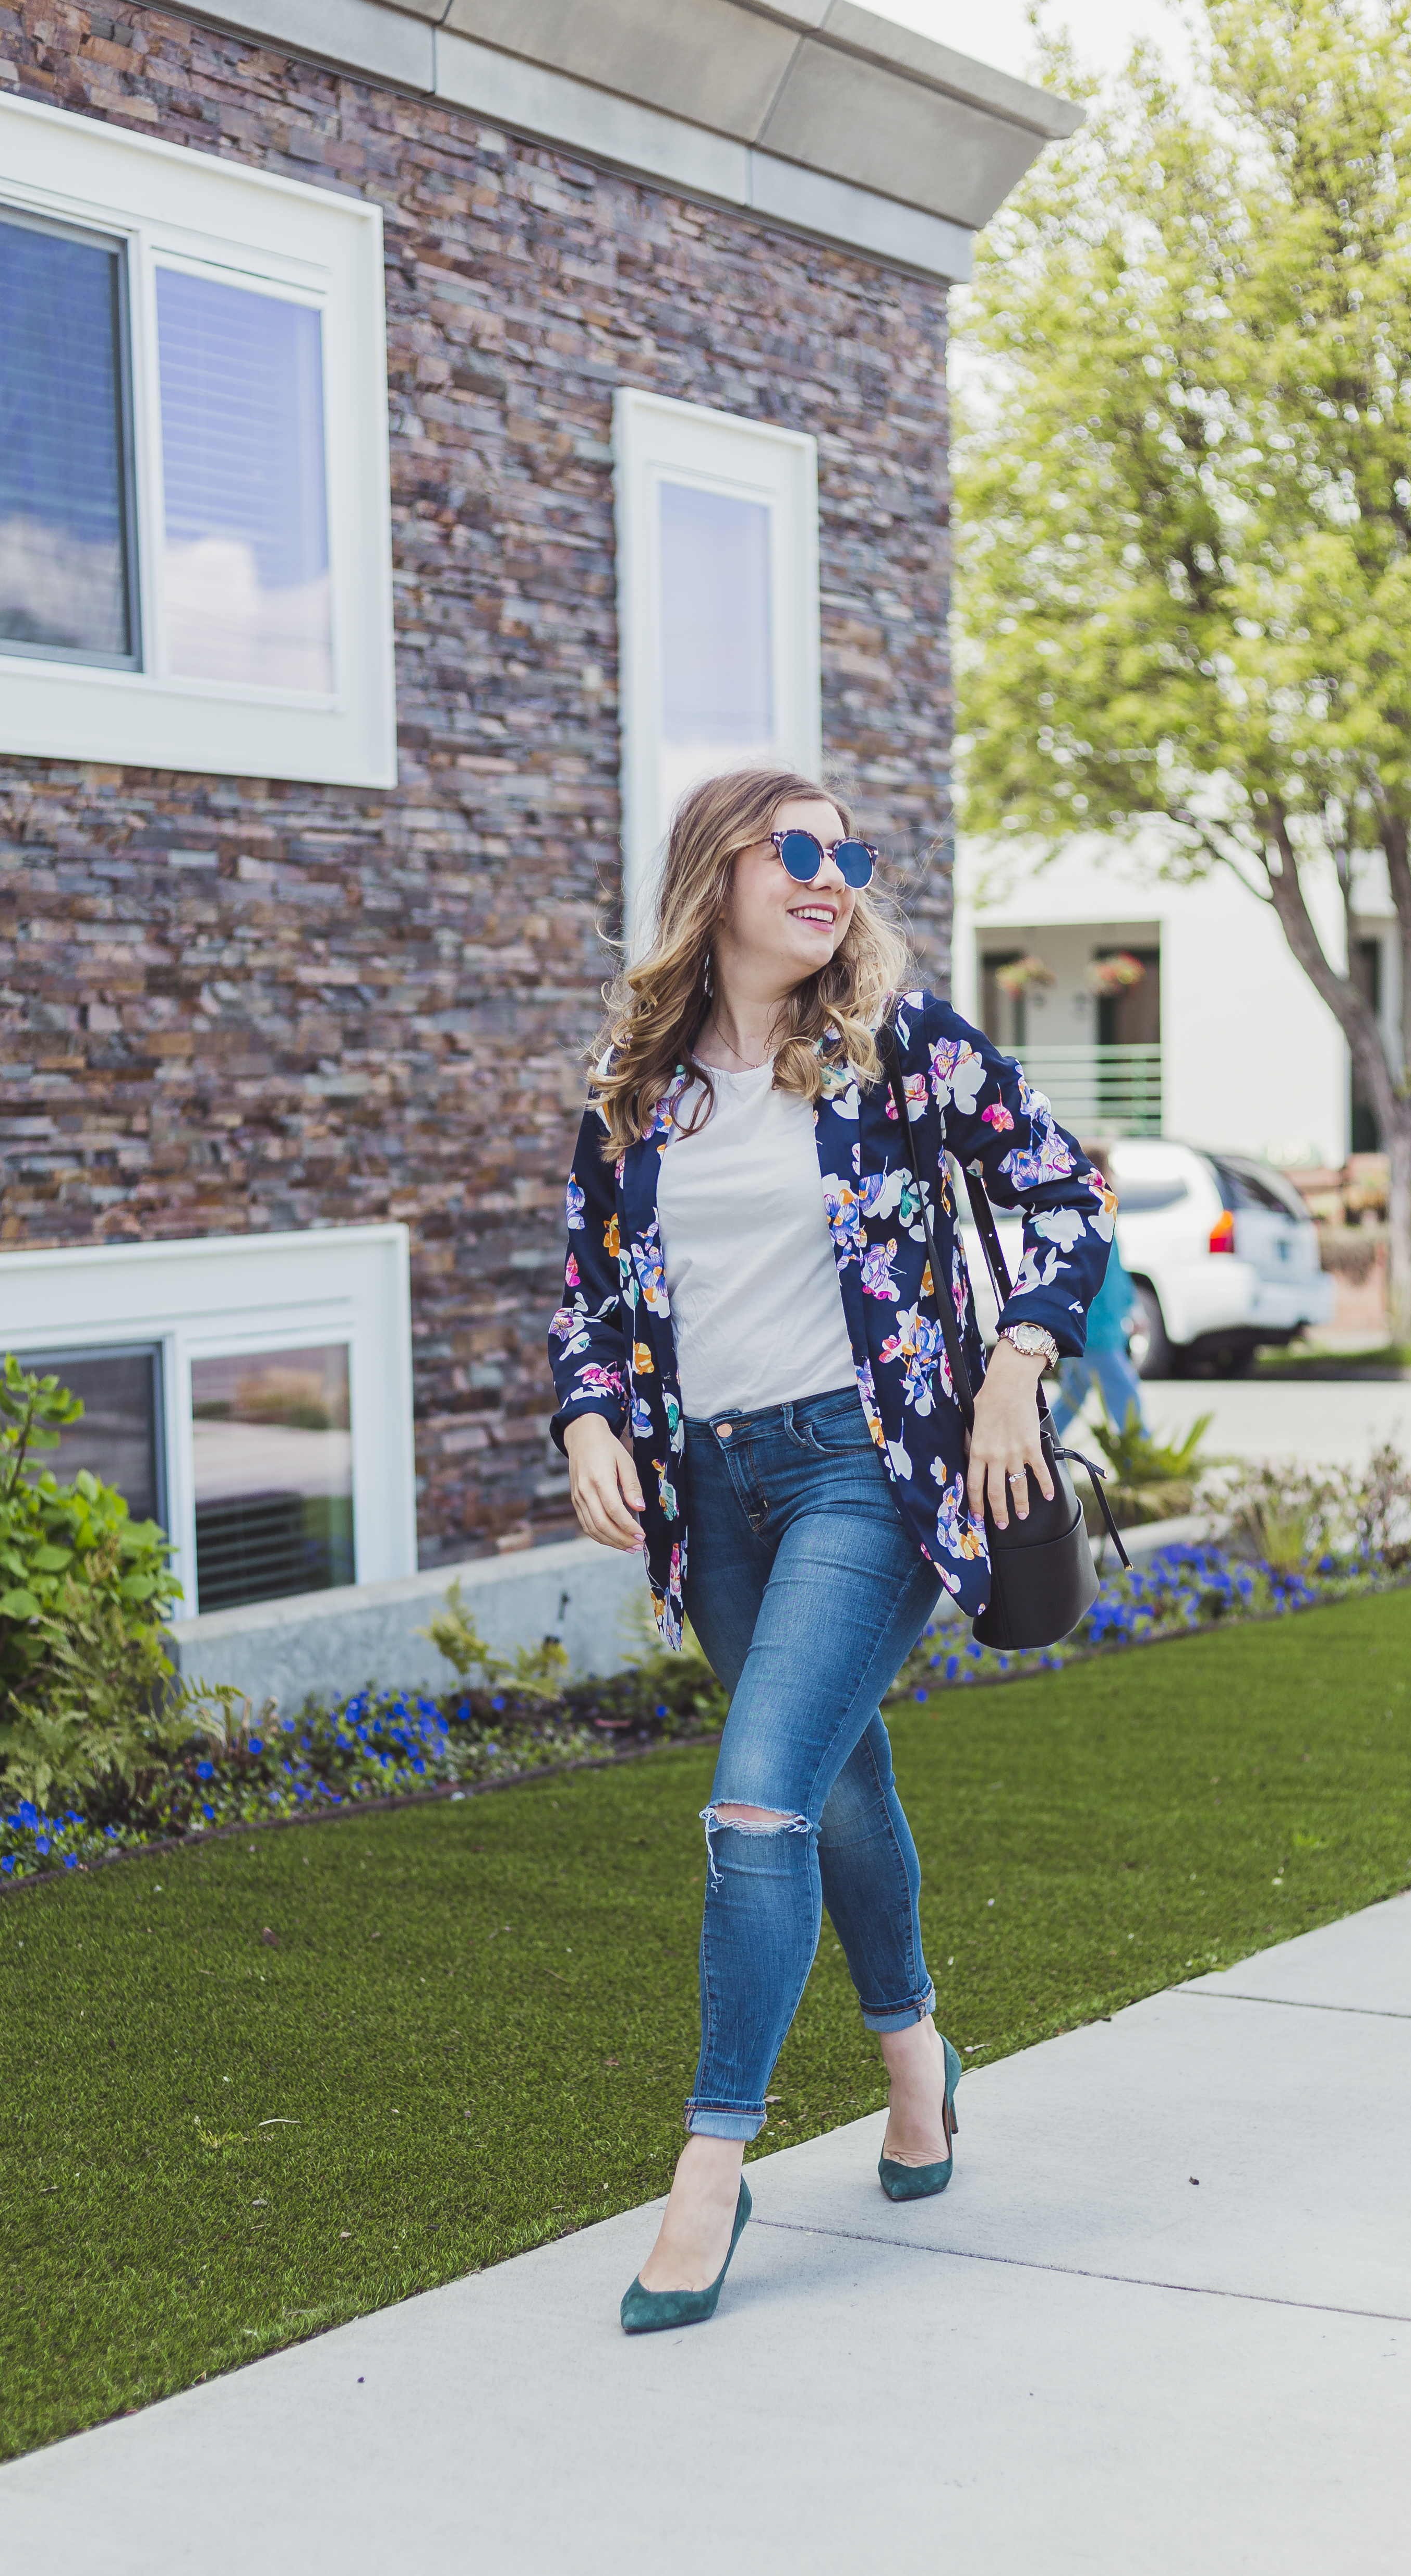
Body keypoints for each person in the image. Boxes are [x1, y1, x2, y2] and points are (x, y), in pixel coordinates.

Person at [546, 768, 1113, 2335]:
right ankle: (916, 2060)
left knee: (748, 1800)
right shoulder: (633, 1082)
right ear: (712, 869)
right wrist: (588, 1423)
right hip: (709, 1493)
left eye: (845, 855)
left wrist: (1011, 1366)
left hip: (866, 1476)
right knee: (831, 1775)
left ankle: (705, 2169)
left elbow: (1066, 1191)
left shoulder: (896, 1048)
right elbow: (590, 1291)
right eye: (795, 848)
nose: (829, 875)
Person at [1048, 1141, 1147, 1441]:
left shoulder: (1099, 1213)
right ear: (1099, 1172)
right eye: (1111, 1170)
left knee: (1071, 1399)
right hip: (1096, 1334)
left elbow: (1116, 1273)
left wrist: (1133, 1308)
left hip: (1091, 1331)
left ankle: (1040, 1452)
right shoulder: (1089, 1214)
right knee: (1126, 1396)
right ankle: (1142, 1465)